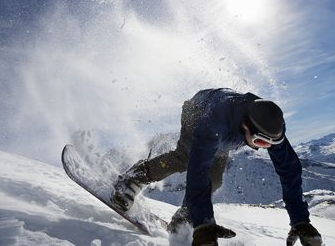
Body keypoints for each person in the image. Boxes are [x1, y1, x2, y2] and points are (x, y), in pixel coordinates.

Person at [111, 88, 322, 246]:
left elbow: (290, 170)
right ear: (246, 127)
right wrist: (204, 224)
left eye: (270, 144)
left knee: (216, 179)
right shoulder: (214, 124)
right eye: (260, 143)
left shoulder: (270, 126)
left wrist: (300, 220)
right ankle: (133, 179)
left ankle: (184, 215)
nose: (263, 148)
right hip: (198, 112)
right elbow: (197, 170)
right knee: (186, 157)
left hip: (229, 129)